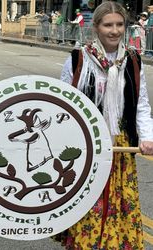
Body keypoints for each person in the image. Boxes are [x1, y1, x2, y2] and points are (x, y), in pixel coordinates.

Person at [58, 2, 153, 249]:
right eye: (108, 24)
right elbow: (63, 106)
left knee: (119, 199)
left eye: (119, 24)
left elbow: (141, 103)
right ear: (96, 27)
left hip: (120, 142)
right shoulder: (79, 59)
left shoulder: (132, 60)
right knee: (88, 199)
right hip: (87, 143)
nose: (114, 30)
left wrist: (147, 136)